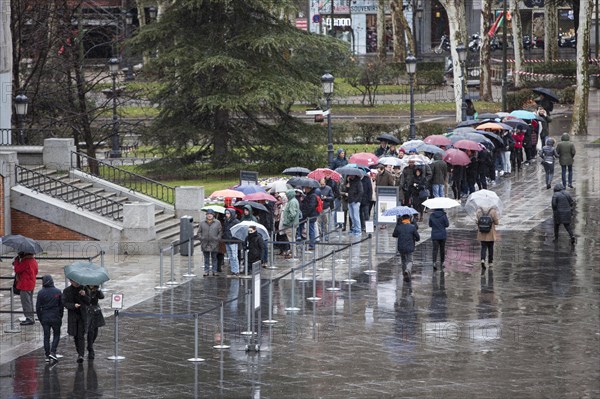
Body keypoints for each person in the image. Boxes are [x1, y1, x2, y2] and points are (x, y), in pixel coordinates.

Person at [62, 279, 92, 363]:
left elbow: (89, 301)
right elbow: (64, 303)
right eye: (74, 281)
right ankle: (79, 352)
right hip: (73, 316)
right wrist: (73, 305)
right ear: (71, 281)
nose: (76, 282)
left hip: (82, 316)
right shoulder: (67, 291)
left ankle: (81, 355)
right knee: (75, 335)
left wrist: (84, 295)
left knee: (80, 335)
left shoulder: (84, 288)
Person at [36, 275, 63, 362]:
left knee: (46, 336)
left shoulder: (41, 293)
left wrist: (41, 318)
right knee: (56, 334)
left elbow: (37, 308)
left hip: (45, 317)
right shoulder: (58, 292)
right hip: (56, 316)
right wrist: (60, 316)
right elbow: (61, 306)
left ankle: (47, 355)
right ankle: (53, 351)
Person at [392, 214, 420, 282]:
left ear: (402, 219)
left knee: (403, 261)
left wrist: (397, 224)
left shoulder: (399, 226)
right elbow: (418, 238)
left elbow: (394, 234)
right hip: (410, 247)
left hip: (401, 247)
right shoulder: (412, 227)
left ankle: (405, 275)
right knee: (410, 260)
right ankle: (407, 270)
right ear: (409, 219)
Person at [13, 252, 38, 326]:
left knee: (26, 302)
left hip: (25, 284)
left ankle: (29, 318)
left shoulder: (26, 261)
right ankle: (31, 316)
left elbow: (17, 269)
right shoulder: (33, 260)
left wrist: (16, 261)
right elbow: (36, 271)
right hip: (31, 283)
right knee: (29, 301)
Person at [198, 209, 222, 276]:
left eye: (210, 214)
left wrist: (218, 238)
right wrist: (201, 238)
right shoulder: (202, 223)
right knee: (206, 258)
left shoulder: (217, 222)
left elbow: (220, 232)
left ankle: (214, 271)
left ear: (213, 215)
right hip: (205, 242)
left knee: (214, 258)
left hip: (214, 243)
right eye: (208, 214)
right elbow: (199, 232)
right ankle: (206, 271)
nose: (209, 215)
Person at [85, 285, 105, 360]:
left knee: (95, 331)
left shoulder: (96, 289)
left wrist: (97, 290)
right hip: (88, 311)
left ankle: (90, 345)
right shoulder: (84, 288)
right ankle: (90, 349)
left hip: (96, 311)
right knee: (90, 331)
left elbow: (102, 296)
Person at [281, 189, 300, 258]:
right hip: (293, 223)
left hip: (290, 224)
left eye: (287, 195)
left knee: (291, 239)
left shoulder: (292, 202)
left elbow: (293, 214)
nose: (286, 196)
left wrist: (287, 221)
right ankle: (292, 252)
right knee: (292, 238)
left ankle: (293, 253)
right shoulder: (294, 201)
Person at [222, 208, 241, 276]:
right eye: (226, 213)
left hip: (233, 241)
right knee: (230, 256)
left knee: (234, 256)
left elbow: (238, 231)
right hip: (227, 240)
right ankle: (233, 270)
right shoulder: (226, 221)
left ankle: (236, 270)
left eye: (228, 213)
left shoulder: (236, 222)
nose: (226, 215)